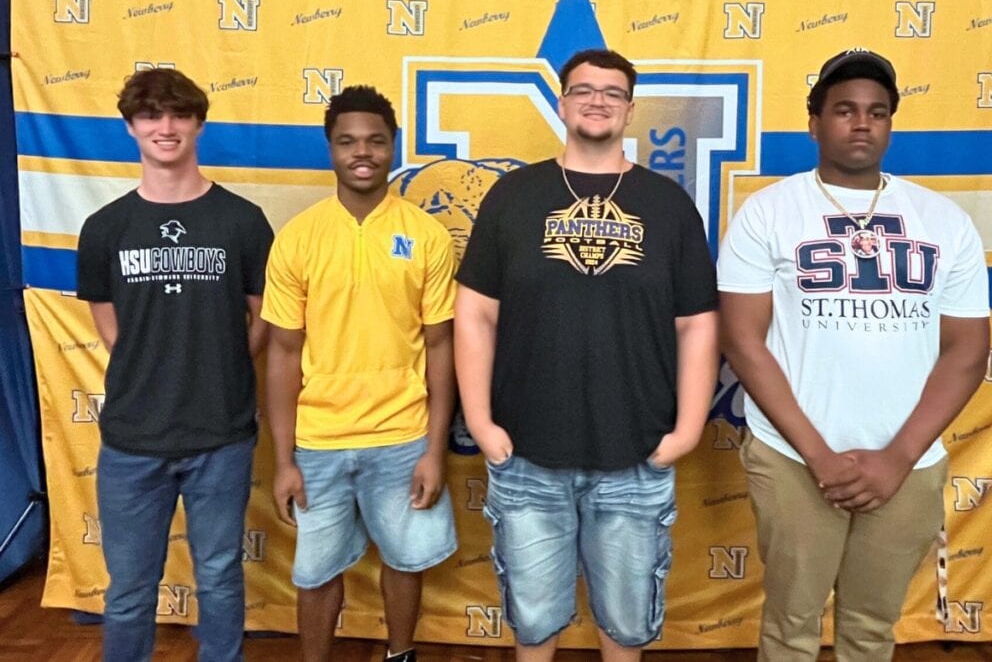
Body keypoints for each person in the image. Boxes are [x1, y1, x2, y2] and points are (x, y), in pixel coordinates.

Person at [717, 48, 991, 661]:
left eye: (877, 112)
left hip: (908, 461)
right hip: (793, 456)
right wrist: (817, 455)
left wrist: (898, 455)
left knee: (871, 628)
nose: (862, 123)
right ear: (814, 123)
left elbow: (968, 351)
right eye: (844, 110)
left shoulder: (943, 220)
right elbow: (742, 338)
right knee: (791, 626)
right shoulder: (767, 213)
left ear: (891, 123)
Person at [455, 49, 719, 661]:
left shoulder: (667, 204)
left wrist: (687, 428)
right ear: (562, 102)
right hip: (526, 454)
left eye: (612, 91)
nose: (597, 100)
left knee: (626, 631)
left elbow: (699, 325)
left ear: (629, 107)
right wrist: (480, 420)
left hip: (635, 454)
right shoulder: (513, 196)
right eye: (583, 90)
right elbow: (474, 313)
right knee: (534, 626)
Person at [76, 67, 274, 662]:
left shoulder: (241, 220)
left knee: (218, 576)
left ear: (198, 124)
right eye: (151, 116)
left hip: (221, 435)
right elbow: (108, 321)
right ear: (131, 127)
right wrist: (149, 367)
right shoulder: (105, 228)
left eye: (178, 114)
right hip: (133, 440)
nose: (165, 127)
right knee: (131, 592)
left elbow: (264, 314)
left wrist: (223, 366)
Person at [262, 86, 457, 662]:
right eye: (347, 141)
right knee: (316, 571)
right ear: (330, 149)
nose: (362, 152)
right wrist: (284, 458)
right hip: (318, 442)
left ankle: (400, 655)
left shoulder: (427, 235)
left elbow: (442, 346)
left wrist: (434, 451)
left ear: (393, 146)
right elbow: (281, 354)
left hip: (403, 436)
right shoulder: (298, 237)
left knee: (404, 560)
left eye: (375, 140)